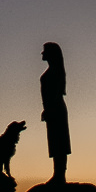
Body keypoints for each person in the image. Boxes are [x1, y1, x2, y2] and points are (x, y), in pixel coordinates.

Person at [40, 41, 70, 184]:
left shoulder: (55, 71)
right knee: (55, 141)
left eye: (44, 50)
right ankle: (57, 174)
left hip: (56, 108)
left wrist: (49, 109)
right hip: (53, 108)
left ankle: (59, 175)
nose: (42, 53)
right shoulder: (53, 70)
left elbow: (55, 94)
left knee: (59, 141)